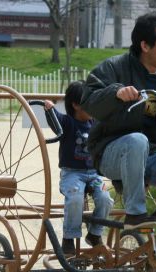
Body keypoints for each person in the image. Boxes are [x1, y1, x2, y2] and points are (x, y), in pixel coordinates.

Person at [80, 12, 156, 267]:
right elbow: (88, 100)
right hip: (111, 151)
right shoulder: (114, 67)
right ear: (145, 46)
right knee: (136, 141)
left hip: (153, 153)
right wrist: (116, 93)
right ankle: (135, 215)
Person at [44, 81, 114, 256]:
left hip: (93, 174)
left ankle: (95, 233)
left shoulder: (95, 123)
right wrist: (49, 109)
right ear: (75, 105)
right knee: (75, 198)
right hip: (72, 173)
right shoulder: (67, 122)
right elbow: (55, 122)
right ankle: (69, 236)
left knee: (105, 198)